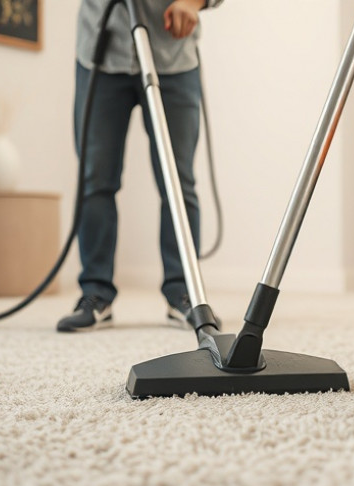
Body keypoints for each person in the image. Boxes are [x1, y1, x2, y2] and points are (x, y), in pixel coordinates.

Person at [58, 0, 223, 332]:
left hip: (172, 55)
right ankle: (95, 293)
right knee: (95, 180)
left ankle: (184, 293)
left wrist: (193, 2)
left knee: (178, 182)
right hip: (99, 54)